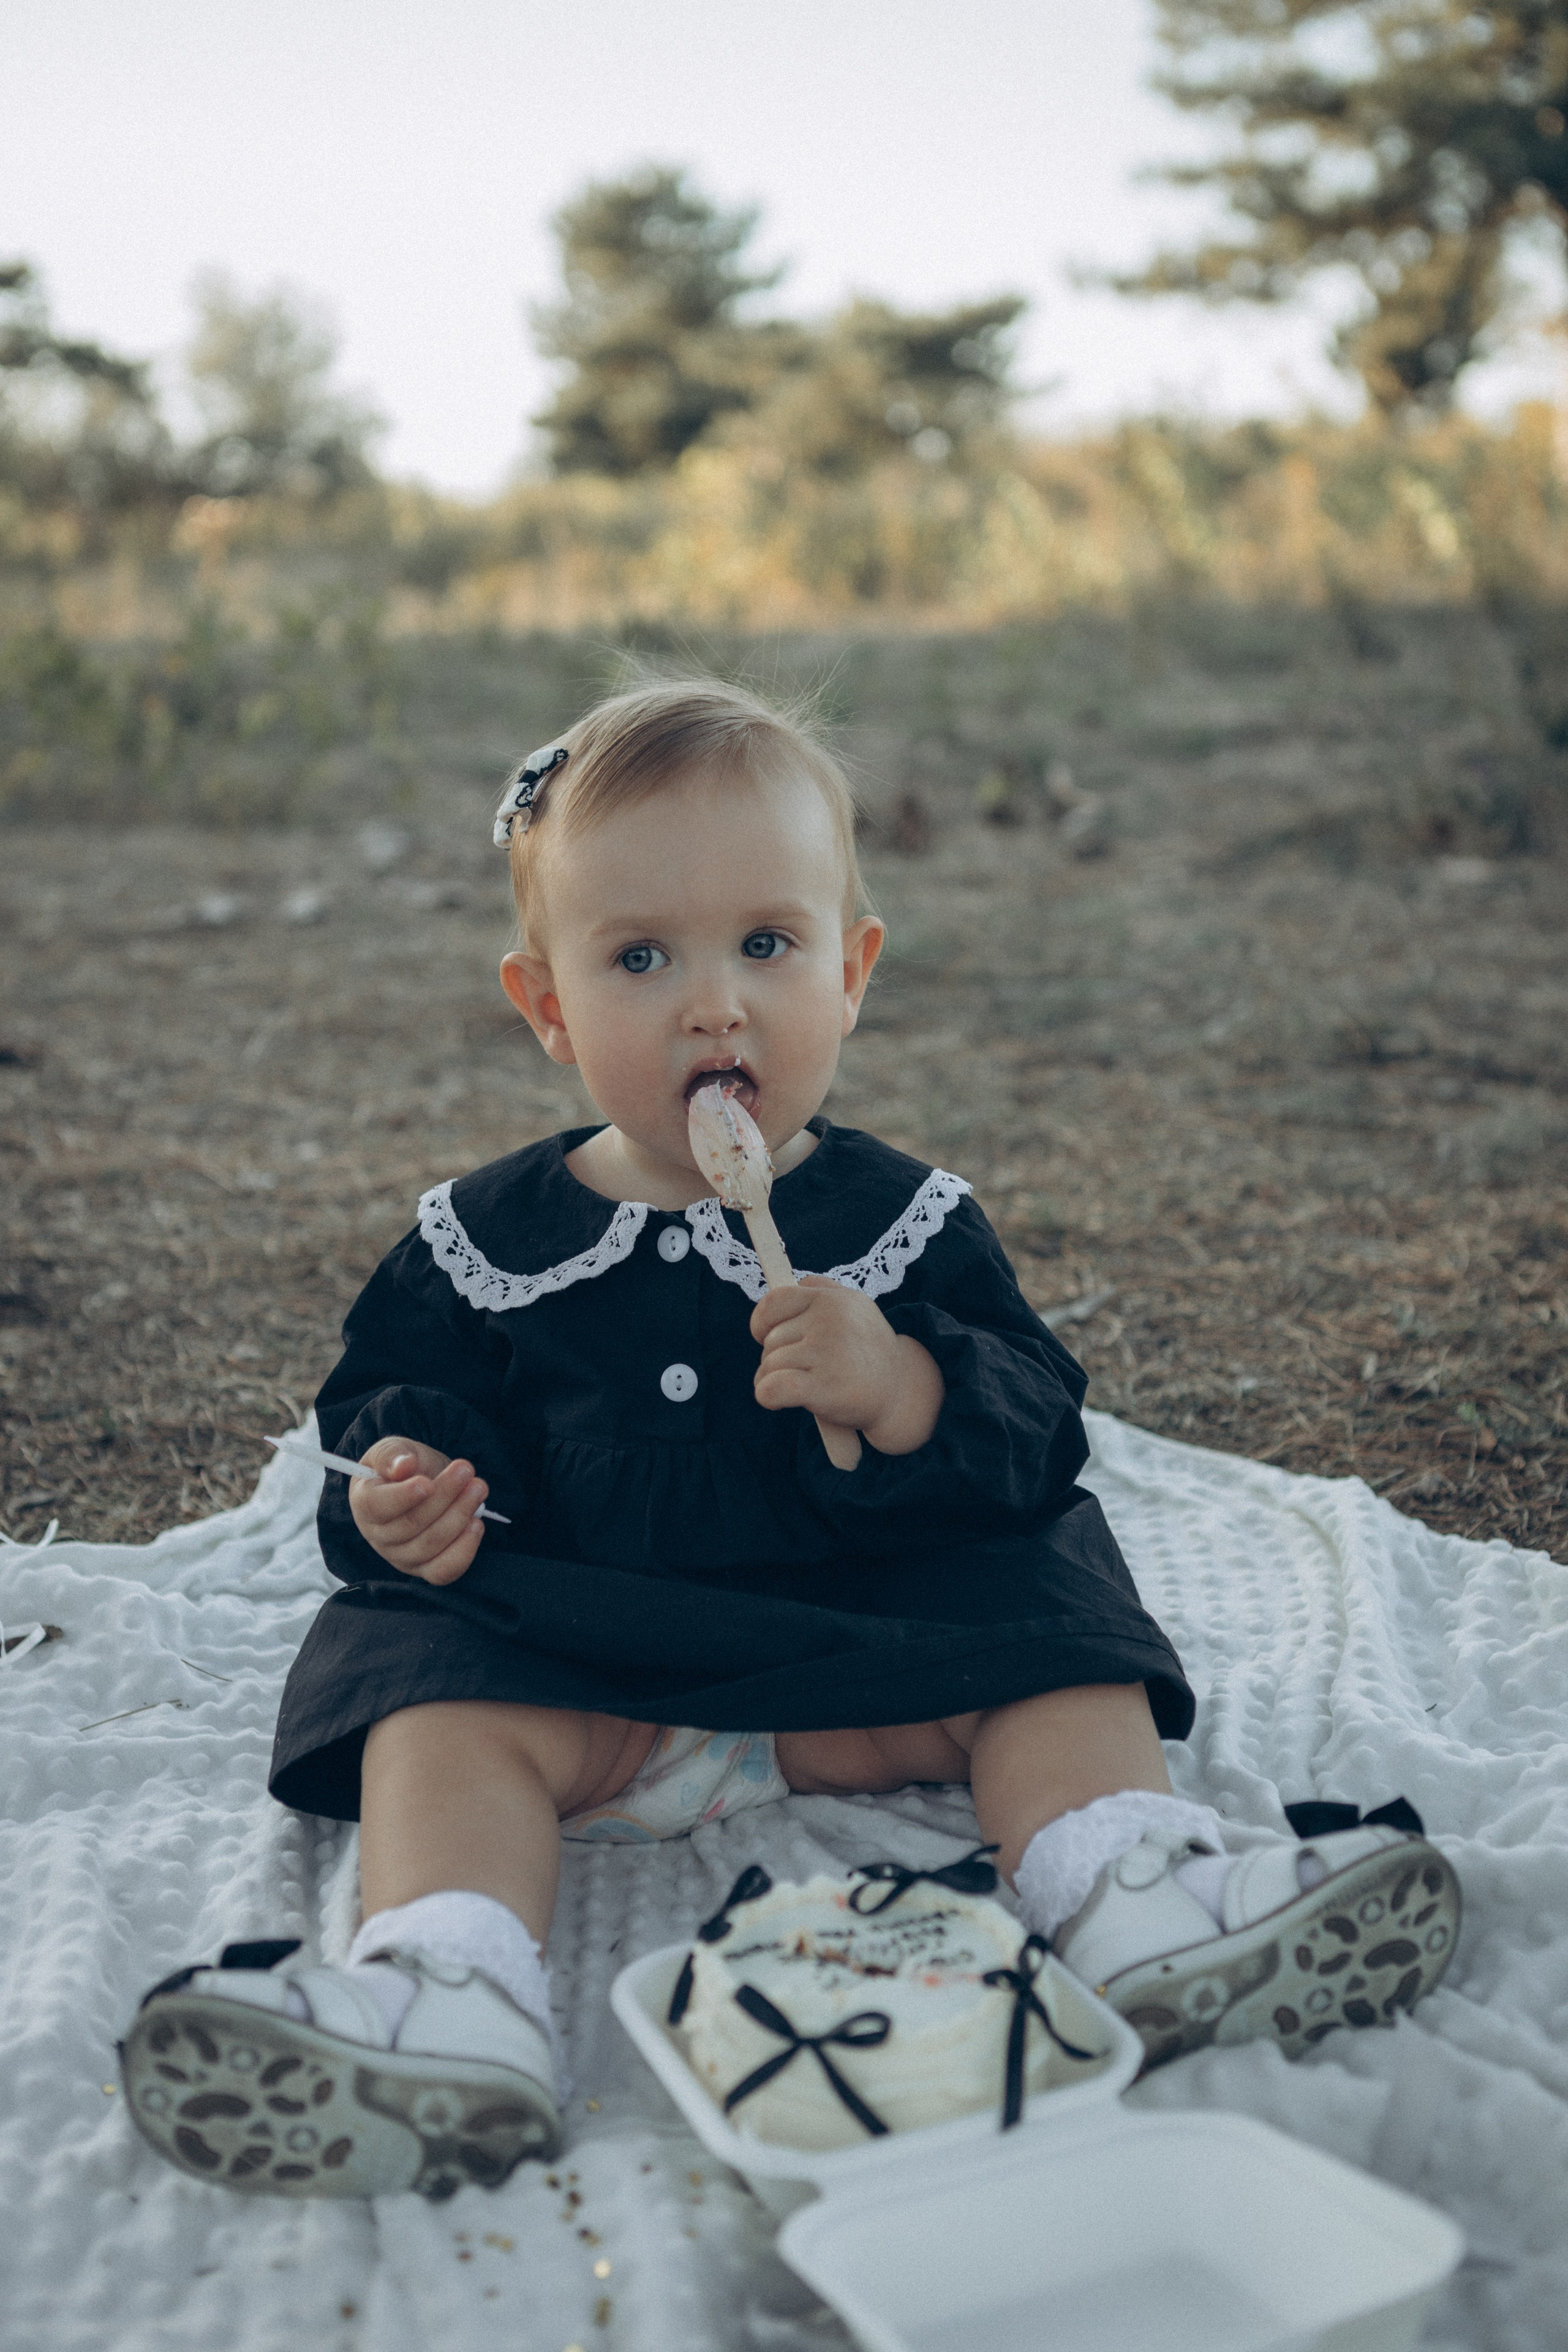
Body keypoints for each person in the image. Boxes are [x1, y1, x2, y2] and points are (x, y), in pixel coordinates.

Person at [122, 681, 1460, 2201]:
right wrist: (410, 1491)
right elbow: (386, 1406)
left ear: (851, 973)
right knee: (425, 1701)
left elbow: (1034, 1424)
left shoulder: (899, 1221)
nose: (717, 1004)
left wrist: (902, 1386)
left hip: (872, 1653)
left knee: (1050, 1624)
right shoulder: (485, 1239)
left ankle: (1134, 1892)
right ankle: (447, 1988)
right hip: (592, 1674)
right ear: (549, 1007)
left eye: (768, 945)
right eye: (641, 957)